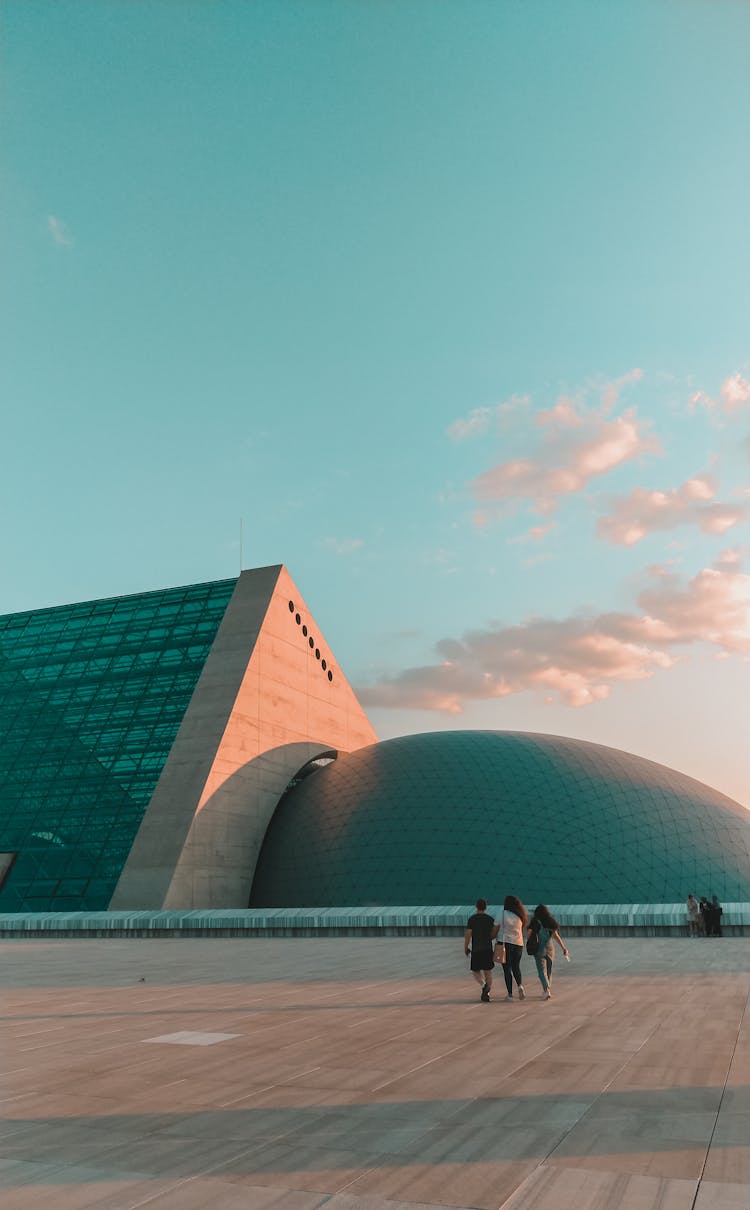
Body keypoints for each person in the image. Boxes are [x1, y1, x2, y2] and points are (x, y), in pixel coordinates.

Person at [527, 904, 568, 1000]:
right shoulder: (551, 922)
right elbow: (556, 936)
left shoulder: (535, 922)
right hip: (550, 949)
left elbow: (529, 933)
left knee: (541, 971)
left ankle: (546, 990)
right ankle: (547, 988)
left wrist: (530, 940)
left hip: (539, 949)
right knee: (549, 970)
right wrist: (563, 948)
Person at [493, 895, 527, 1001]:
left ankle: (510, 994)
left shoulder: (502, 913)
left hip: (505, 943)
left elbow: (495, 928)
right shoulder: (520, 915)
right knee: (516, 966)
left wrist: (490, 937)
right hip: (518, 944)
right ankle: (520, 986)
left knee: (507, 969)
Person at [464, 898, 498, 1001]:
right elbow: (493, 933)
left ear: (476, 906)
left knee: (475, 970)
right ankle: (487, 992)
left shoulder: (472, 919)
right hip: (487, 948)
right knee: (488, 971)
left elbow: (468, 934)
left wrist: (465, 947)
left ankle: (483, 985)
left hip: (476, 949)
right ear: (485, 907)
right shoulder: (490, 919)